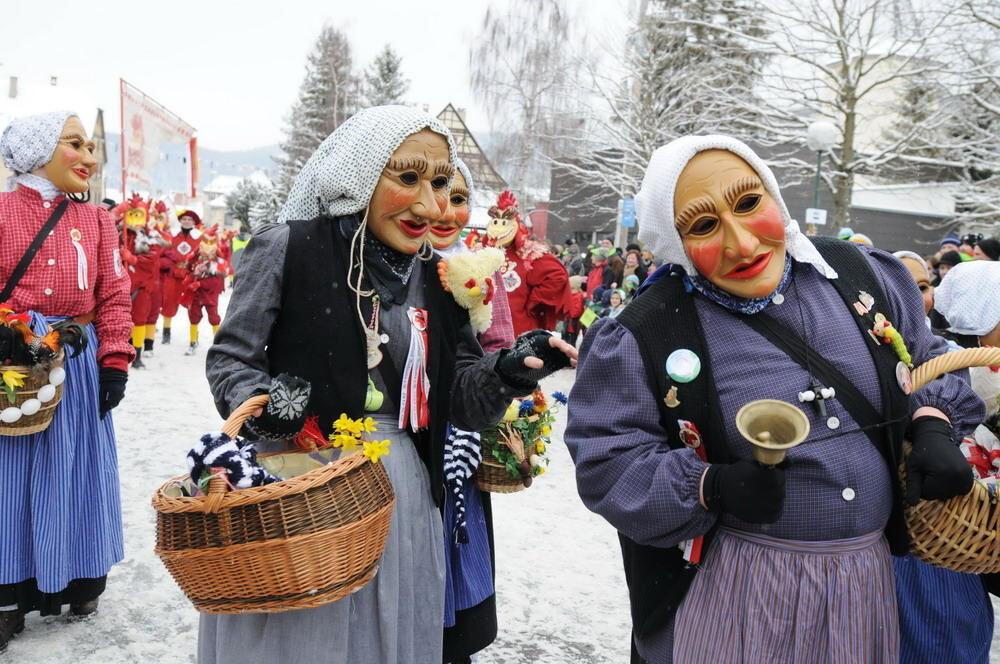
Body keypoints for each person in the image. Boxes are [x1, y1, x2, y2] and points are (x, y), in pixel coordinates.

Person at [565, 135, 984, 664]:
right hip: (733, 590)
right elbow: (608, 462)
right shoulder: (646, 331)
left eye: (747, 203)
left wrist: (931, 421)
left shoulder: (862, 275)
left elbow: (924, 359)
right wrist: (709, 485)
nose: (741, 243)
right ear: (673, 244)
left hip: (867, 586)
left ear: (774, 196)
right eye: (703, 225)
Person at [201, 106, 576, 664]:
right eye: (407, 178)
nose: (430, 205)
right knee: (302, 644)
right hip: (297, 480)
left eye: (441, 182)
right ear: (360, 174)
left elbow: (462, 400)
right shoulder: (289, 247)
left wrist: (508, 372)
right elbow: (232, 357)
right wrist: (265, 406)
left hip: (402, 492)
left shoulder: (442, 276)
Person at [0, 111, 132, 650]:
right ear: (37, 152)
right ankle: (8, 595)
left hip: (76, 363)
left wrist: (115, 361)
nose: (89, 156)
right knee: (11, 476)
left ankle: (80, 577)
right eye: (74, 144)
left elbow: (114, 295)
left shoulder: (97, 220)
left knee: (75, 471)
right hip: (15, 363)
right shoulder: (3, 212)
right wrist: (9, 334)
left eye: (91, 145)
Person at [889, 257, 996, 664]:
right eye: (907, 286)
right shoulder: (969, 366)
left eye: (923, 285)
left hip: (954, 541)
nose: (918, 297)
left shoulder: (948, 361)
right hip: (908, 542)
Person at [430, 159, 513, 664]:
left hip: (459, 431)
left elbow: (499, 342)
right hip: (397, 433)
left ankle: (451, 639)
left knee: (457, 544)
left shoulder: (483, 268)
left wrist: (505, 375)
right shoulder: (387, 260)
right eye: (439, 192)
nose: (447, 209)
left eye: (459, 199)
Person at [484, 190, 570, 336]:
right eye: (496, 221)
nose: (499, 228)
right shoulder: (481, 252)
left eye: (505, 222)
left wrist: (534, 300)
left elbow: (558, 275)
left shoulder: (527, 254)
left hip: (517, 329)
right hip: (484, 329)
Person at [159, 209, 203, 344]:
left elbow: (202, 257)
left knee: (194, 307)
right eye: (184, 219)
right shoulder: (171, 236)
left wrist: (194, 269)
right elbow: (162, 255)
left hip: (190, 276)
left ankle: (194, 338)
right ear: (180, 221)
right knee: (169, 304)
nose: (186, 221)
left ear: (194, 222)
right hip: (172, 276)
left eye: (189, 219)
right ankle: (166, 332)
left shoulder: (199, 238)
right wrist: (171, 266)